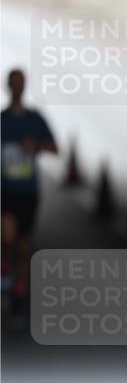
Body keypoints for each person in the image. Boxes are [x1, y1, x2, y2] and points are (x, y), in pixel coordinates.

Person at [1, 69, 58, 321]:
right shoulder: (2, 121)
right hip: (6, 192)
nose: (17, 88)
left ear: (24, 87)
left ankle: (18, 296)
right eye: (13, 84)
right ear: (7, 87)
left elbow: (55, 148)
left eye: (20, 84)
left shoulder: (34, 120)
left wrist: (35, 146)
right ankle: (5, 271)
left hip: (28, 193)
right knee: (8, 235)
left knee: (24, 247)